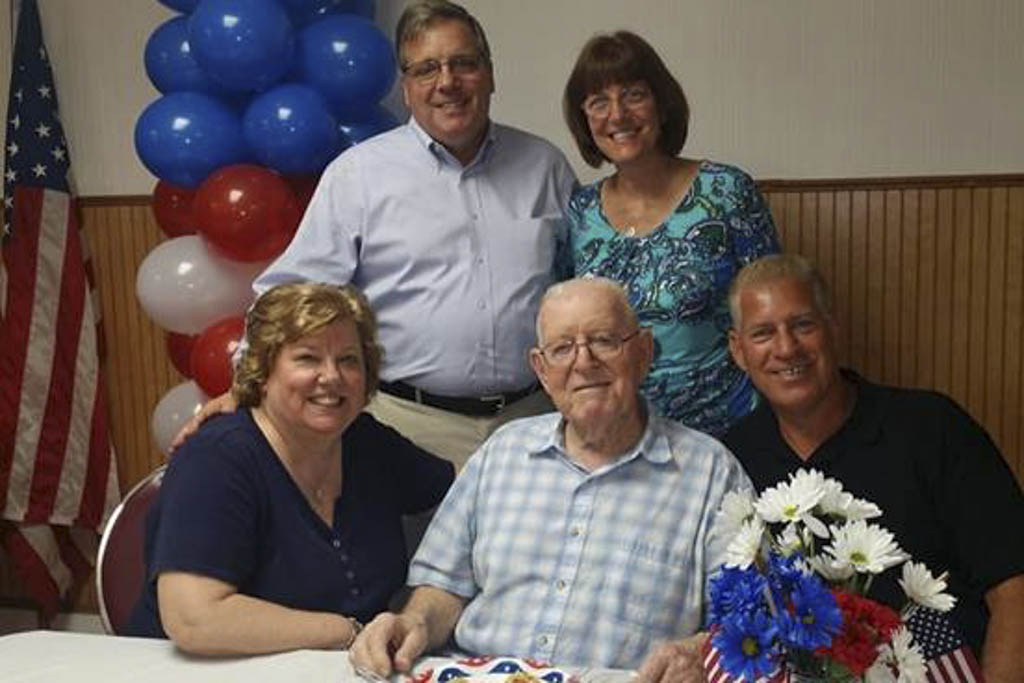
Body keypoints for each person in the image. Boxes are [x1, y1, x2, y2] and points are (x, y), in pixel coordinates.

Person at [177, 0, 577, 470]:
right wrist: (243, 388)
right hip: (407, 429)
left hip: (532, 423)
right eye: (426, 69)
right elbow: (289, 295)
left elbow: (578, 286)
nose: (447, 82)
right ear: (406, 88)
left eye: (463, 63)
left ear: (489, 74)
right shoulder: (358, 176)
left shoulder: (545, 166)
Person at [349, 277, 752, 682]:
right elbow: (442, 587)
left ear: (644, 352)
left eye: (604, 340)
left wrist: (697, 652)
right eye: (562, 348)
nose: (584, 361)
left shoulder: (711, 474)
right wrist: (413, 622)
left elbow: (747, 622)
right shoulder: (501, 453)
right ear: (541, 370)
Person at [723, 253, 1024, 682]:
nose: (786, 348)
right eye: (763, 333)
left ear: (833, 327)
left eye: (803, 325)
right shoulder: (731, 459)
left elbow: (1014, 588)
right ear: (738, 350)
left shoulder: (933, 428)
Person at [127, 283, 455, 655]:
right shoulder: (217, 458)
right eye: (307, 358)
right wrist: (349, 633)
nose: (331, 376)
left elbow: (468, 495)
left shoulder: (367, 442)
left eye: (348, 359)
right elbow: (195, 619)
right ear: (263, 371)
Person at [562, 31, 779, 438]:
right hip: (617, 434)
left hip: (728, 430)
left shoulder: (726, 192)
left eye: (633, 95)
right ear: (584, 121)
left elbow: (772, 311)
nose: (618, 114)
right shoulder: (579, 212)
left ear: (662, 105)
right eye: (598, 102)